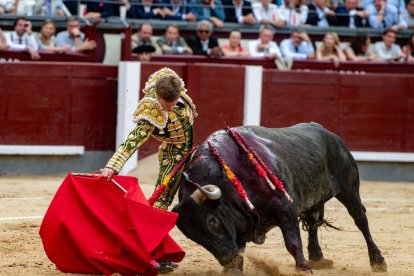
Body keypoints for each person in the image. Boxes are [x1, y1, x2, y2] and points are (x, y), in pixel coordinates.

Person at [100, 67, 197, 211]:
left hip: (186, 142)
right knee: (163, 196)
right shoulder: (151, 108)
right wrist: (112, 165)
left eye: (174, 103)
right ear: (158, 97)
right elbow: (134, 139)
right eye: (166, 105)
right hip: (175, 147)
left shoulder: (174, 86)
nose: (170, 107)